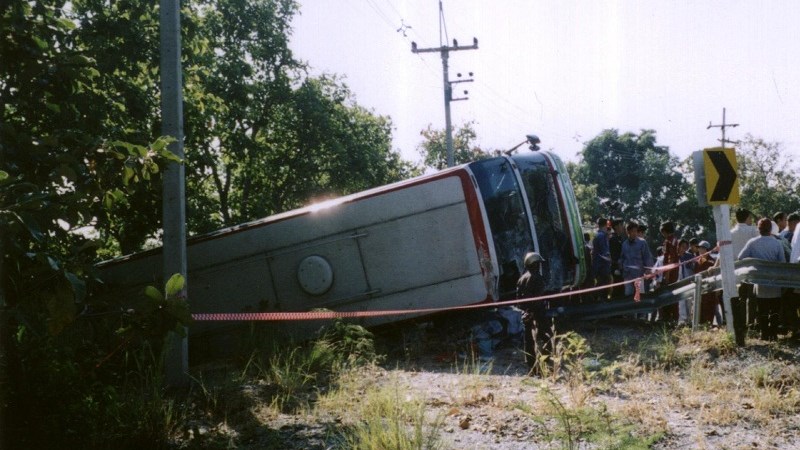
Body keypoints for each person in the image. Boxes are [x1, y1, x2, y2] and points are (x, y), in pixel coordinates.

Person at [738, 218, 788, 340]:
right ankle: (773, 333)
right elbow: (782, 262)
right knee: (775, 308)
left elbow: (741, 257)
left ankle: (764, 333)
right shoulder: (777, 243)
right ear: (770, 229)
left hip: (760, 280)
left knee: (762, 308)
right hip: (774, 279)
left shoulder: (752, 242)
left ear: (758, 229)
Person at [517, 252, 549, 368]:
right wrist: (533, 311)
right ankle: (546, 362)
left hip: (526, 313)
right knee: (546, 337)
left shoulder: (521, 279)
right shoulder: (537, 278)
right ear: (534, 264)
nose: (540, 266)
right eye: (538, 263)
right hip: (537, 312)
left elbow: (518, 298)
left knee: (529, 340)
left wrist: (526, 311)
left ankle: (531, 363)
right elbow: (538, 298)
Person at [730, 208, 759, 325]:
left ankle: (740, 322)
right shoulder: (753, 230)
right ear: (747, 218)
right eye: (750, 218)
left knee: (740, 297)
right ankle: (751, 321)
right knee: (752, 297)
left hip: (736, 268)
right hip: (750, 267)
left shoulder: (730, 232)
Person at [618, 221, 654, 298]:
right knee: (628, 296)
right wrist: (621, 267)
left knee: (640, 296)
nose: (634, 233)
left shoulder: (642, 242)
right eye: (632, 231)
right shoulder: (624, 244)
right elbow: (622, 258)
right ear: (628, 232)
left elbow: (647, 257)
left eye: (636, 231)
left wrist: (649, 269)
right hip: (628, 275)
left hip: (639, 275)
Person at [694, 241, 719, 325]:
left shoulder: (712, 262)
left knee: (709, 307)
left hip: (709, 289)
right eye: (699, 248)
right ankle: (700, 325)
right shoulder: (697, 261)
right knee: (699, 308)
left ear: (706, 249)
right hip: (699, 288)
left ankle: (708, 325)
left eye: (702, 248)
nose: (700, 250)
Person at [659, 222, 680, 320]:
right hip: (675, 271)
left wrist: (667, 274)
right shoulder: (675, 240)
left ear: (665, 231)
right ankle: (674, 317)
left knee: (668, 294)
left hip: (670, 272)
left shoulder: (668, 241)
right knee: (674, 295)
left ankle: (667, 318)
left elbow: (670, 258)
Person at [591, 218, 612, 302]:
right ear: (606, 224)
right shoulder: (603, 236)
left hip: (597, 266)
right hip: (603, 267)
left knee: (599, 287)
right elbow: (605, 253)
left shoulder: (596, 235)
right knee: (604, 290)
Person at [609, 219, 625, 299]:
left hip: (621, 269)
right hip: (616, 270)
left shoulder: (619, 238)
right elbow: (613, 255)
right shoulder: (613, 239)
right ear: (616, 226)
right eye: (621, 225)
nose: (623, 227)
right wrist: (616, 268)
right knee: (617, 292)